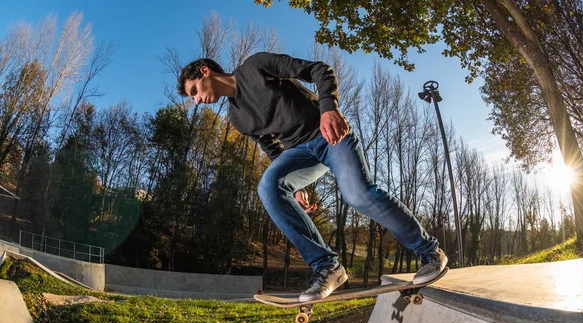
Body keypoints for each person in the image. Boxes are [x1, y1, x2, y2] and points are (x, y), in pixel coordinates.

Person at [178, 52, 447, 301]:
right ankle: (328, 267)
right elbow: (271, 147)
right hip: (299, 153)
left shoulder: (255, 66)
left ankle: (429, 251)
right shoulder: (237, 117)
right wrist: (292, 185)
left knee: (357, 194)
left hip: (329, 133)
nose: (197, 100)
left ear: (205, 72)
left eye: (194, 91)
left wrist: (329, 108)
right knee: (269, 186)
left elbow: (320, 70)